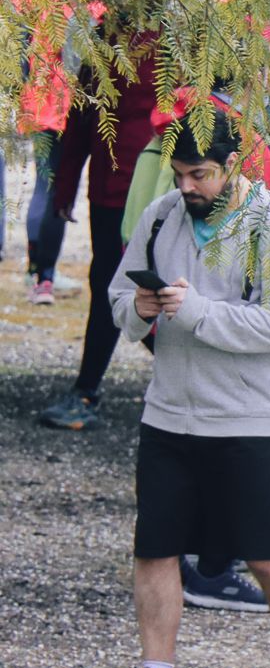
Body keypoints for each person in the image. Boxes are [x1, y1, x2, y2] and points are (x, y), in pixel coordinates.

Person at [99, 115, 270, 668]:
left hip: (251, 417)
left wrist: (197, 313)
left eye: (200, 174)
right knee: (154, 548)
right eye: (180, 175)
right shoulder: (160, 216)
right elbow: (117, 301)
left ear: (235, 165)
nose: (188, 187)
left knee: (265, 554)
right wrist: (141, 308)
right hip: (170, 411)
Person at [35, 45, 161, 431]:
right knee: (107, 283)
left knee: (133, 285)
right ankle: (88, 389)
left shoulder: (176, 37)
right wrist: (65, 186)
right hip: (108, 189)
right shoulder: (103, 42)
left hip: (156, 187)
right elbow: (82, 117)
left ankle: (87, 390)